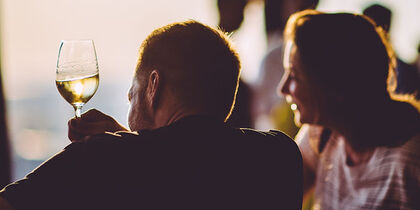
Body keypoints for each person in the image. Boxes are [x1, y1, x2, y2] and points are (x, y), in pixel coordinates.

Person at [0, 20, 303, 210]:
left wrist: (114, 146)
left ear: (153, 86)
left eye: (134, 85)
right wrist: (128, 140)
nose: (129, 96)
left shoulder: (98, 160)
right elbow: (191, 162)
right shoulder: (278, 155)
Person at [279, 10, 420, 209]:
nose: (282, 88)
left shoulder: (412, 161)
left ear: (334, 84)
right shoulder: (322, 134)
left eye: (294, 75)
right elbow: (277, 194)